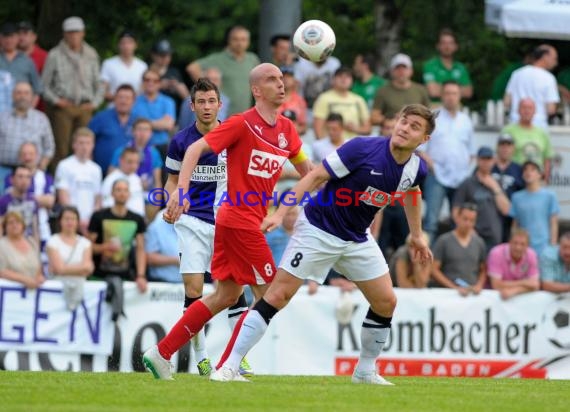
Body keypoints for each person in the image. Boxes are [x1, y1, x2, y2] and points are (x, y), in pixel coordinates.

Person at [209, 103, 435, 384]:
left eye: (415, 127)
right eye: (404, 121)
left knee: (386, 301)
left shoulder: (417, 168)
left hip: (356, 238)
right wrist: (280, 213)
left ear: (424, 139)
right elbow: (314, 176)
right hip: (318, 229)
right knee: (277, 296)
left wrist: (416, 234)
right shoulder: (362, 148)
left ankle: (364, 371)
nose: (404, 128)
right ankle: (229, 366)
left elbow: (413, 193)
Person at [142, 63, 312, 380]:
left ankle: (162, 352)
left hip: (239, 222)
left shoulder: (287, 131)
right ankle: (228, 366)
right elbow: (194, 148)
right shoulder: (242, 124)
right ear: (256, 90)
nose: (281, 83)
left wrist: (336, 184)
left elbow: (310, 173)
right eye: (272, 79)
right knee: (272, 296)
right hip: (239, 221)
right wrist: (180, 192)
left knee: (226, 296)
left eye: (282, 78)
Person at [162, 77, 253, 376]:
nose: (206, 107)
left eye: (211, 101)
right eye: (200, 102)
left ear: (219, 103)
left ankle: (236, 356)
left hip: (227, 221)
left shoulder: (235, 136)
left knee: (234, 289)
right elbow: (172, 179)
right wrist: (171, 200)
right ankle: (201, 357)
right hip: (191, 221)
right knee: (194, 289)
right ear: (192, 106)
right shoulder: (180, 141)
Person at [41, 16, 104, 169]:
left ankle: (85, 178)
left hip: (84, 107)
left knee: (85, 146)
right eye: (70, 33)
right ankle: (57, 183)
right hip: (63, 106)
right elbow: (43, 85)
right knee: (61, 148)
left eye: (77, 32)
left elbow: (99, 83)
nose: (74, 36)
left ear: (83, 33)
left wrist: (95, 103)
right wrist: (56, 100)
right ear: (64, 34)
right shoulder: (54, 55)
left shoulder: (91, 54)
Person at [419, 81, 474, 242]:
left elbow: (471, 151)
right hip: (436, 176)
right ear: (442, 96)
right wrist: (433, 167)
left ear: (459, 96)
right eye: (447, 93)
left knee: (458, 222)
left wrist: (464, 169)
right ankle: (426, 263)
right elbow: (421, 149)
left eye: (454, 93)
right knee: (431, 222)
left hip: (460, 178)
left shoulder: (466, 120)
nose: (451, 97)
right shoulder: (432, 118)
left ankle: (450, 262)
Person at [88, 179, 147, 321]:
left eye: (125, 190)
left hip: (125, 276)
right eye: (118, 190)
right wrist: (105, 247)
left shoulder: (137, 219)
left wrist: (141, 275)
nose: (122, 193)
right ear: (112, 193)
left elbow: (140, 249)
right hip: (98, 276)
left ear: (129, 194)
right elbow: (87, 248)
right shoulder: (99, 216)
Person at [186, 25, 260, 115]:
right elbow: (192, 68)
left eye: (243, 39)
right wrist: (207, 89)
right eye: (235, 39)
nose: (239, 43)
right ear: (229, 40)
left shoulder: (252, 59)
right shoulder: (219, 58)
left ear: (248, 41)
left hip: (244, 116)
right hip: (222, 115)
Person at [0, 81, 55, 193]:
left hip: (32, 173)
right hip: (4, 170)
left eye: (26, 93)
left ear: (32, 96)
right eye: (19, 93)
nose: (22, 96)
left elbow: (49, 148)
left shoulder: (41, 119)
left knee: (30, 205)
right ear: (13, 95)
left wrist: (40, 167)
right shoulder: (2, 118)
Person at [452, 147, 510, 251]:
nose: (486, 162)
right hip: (474, 235)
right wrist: (468, 231)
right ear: (478, 160)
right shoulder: (467, 183)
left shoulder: (498, 183)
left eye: (489, 159)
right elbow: (456, 211)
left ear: (494, 161)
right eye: (483, 159)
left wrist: (495, 187)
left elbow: (506, 210)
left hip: (494, 237)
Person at [54, 127, 102, 235]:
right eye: (81, 143)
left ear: (93, 145)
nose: (84, 147)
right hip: (70, 221)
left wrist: (92, 220)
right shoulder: (64, 165)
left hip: (90, 222)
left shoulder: (96, 169)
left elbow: (98, 198)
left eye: (88, 143)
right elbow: (63, 196)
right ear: (74, 145)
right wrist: (76, 220)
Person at [431, 203, 487, 296]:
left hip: (472, 295)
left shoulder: (479, 242)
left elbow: (483, 269)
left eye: (472, 220)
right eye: (465, 219)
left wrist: (479, 285)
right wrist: (454, 288)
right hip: (448, 295)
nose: (468, 223)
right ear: (457, 218)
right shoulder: (444, 240)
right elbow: (433, 269)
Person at [46, 206, 94, 310]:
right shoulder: (53, 241)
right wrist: (80, 268)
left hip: (80, 289)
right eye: (66, 219)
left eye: (73, 219)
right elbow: (59, 269)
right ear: (60, 221)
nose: (70, 222)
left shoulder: (85, 243)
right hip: (57, 290)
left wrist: (64, 268)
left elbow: (88, 268)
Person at [504, 44, 560, 130]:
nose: (556, 63)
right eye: (554, 58)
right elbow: (551, 109)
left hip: (516, 124)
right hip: (538, 126)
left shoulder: (517, 74)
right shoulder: (549, 78)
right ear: (545, 56)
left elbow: (507, 102)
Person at [510, 160, 559, 256]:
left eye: (533, 170)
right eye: (525, 170)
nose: (528, 172)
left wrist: (552, 247)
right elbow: (515, 223)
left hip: (544, 247)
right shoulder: (516, 197)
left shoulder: (550, 196)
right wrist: (513, 243)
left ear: (540, 174)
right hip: (522, 247)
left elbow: (553, 222)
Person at [89, 84, 138, 173]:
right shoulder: (100, 118)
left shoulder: (138, 122)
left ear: (133, 101)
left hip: (130, 174)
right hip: (101, 172)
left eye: (127, 98)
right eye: (120, 97)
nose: (123, 101)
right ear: (114, 99)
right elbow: (88, 142)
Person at [500, 98, 554, 179]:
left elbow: (547, 158)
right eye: (524, 108)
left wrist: (545, 178)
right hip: (515, 178)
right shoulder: (508, 131)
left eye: (530, 108)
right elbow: (501, 156)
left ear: (535, 111)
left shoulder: (542, 133)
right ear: (518, 110)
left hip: (536, 180)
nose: (527, 111)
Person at [371, 53, 430, 126]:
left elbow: (428, 115)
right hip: (391, 130)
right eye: (397, 68)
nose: (401, 71)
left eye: (404, 68)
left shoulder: (421, 90)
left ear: (411, 71)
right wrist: (387, 120)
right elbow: (374, 117)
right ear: (391, 71)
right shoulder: (382, 91)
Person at [312, 67, 371, 139]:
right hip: (331, 146)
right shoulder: (324, 98)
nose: (344, 79)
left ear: (352, 81)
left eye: (347, 77)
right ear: (333, 80)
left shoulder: (359, 100)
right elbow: (318, 128)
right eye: (340, 76)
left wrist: (355, 128)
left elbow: (368, 128)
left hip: (354, 145)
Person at [487, 229, 539, 300]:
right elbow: (496, 285)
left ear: (527, 246)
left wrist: (514, 291)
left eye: (522, 244)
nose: (518, 247)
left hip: (514, 297)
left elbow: (535, 285)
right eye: (515, 243)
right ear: (509, 242)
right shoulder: (496, 253)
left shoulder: (531, 255)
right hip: (493, 298)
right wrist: (524, 282)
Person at [422, 28, 472, 100]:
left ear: (456, 46)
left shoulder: (461, 67)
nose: (447, 46)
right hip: (436, 107)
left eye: (450, 43)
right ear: (438, 46)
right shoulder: (429, 65)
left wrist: (440, 87)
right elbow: (432, 92)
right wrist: (458, 89)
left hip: (457, 107)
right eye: (444, 43)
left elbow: (468, 92)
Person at [133, 69, 176, 153]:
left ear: (160, 83)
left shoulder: (168, 102)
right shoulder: (134, 101)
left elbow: (168, 125)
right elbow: (133, 123)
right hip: (138, 147)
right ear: (142, 82)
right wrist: (160, 123)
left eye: (155, 81)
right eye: (147, 80)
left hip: (161, 147)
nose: (151, 83)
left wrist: (143, 124)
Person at [491, 133, 524, 242]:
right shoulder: (489, 165)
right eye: (502, 145)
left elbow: (524, 193)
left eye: (508, 145)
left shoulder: (518, 169)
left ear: (513, 148)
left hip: (511, 219)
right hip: (490, 216)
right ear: (497, 147)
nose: (505, 148)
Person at [0, 22, 42, 103]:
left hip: (20, 109)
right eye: (5, 37)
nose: (8, 40)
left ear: (17, 38)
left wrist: (29, 111)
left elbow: (37, 89)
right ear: (0, 38)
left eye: (12, 37)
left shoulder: (27, 61)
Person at [0, 211, 44, 289]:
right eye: (10, 223)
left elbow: (39, 268)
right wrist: (24, 280)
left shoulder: (32, 242)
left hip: (34, 291)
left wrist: (39, 277)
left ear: (23, 225)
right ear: (5, 227)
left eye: (17, 222)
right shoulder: (2, 245)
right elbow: (2, 271)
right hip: (10, 292)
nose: (14, 225)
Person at [100, 30, 147, 102]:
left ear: (135, 45)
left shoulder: (142, 66)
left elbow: (145, 90)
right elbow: (102, 90)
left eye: (130, 42)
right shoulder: (108, 64)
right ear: (118, 45)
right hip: (114, 107)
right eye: (123, 43)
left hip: (136, 109)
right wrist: (120, 99)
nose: (126, 46)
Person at [0, 165, 39, 244]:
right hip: (9, 245)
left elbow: (35, 229)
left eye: (27, 177)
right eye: (20, 177)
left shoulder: (33, 201)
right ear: (12, 179)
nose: (24, 180)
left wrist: (36, 251)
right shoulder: (4, 201)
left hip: (28, 245)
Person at [101, 147, 144, 217]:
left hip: (138, 221)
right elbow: (107, 205)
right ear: (121, 160)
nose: (134, 166)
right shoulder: (110, 180)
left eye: (136, 162)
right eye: (130, 162)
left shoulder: (137, 179)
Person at [149, 39, 189, 111]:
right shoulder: (148, 72)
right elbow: (140, 94)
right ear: (154, 55)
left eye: (168, 55)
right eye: (162, 55)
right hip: (153, 111)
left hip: (174, 112)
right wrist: (159, 85)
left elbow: (187, 98)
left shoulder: (174, 72)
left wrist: (177, 86)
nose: (166, 58)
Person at [277, 65, 307, 135]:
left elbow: (304, 126)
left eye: (289, 76)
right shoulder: (270, 100)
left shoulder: (300, 101)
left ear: (294, 80)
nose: (285, 79)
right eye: (282, 77)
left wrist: (294, 129)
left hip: (294, 138)